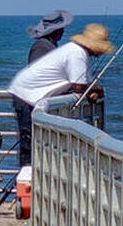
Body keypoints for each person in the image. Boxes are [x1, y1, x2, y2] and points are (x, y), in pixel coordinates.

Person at [8, 23, 114, 167]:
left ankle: (31, 172)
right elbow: (79, 86)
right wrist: (97, 89)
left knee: (37, 142)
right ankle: (27, 174)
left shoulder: (78, 52)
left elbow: (85, 83)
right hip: (26, 95)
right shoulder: (77, 53)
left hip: (32, 95)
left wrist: (92, 90)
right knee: (30, 143)